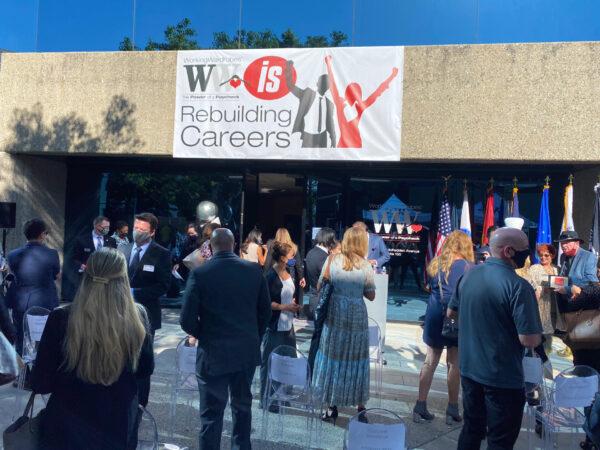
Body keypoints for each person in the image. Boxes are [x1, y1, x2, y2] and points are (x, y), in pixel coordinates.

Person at [31, 248, 154, 450]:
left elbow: (40, 383)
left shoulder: (61, 318)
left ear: (87, 275)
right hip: (117, 425)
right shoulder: (138, 318)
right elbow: (144, 370)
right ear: (123, 279)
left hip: (66, 426)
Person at [448, 227, 542, 449]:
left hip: (470, 371)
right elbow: (529, 340)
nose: (527, 255)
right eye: (524, 250)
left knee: (471, 429)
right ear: (509, 251)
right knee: (500, 440)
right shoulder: (519, 287)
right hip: (503, 378)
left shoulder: (469, 274)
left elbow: (451, 313)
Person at [180, 228, 271, 450]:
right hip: (245, 351)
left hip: (213, 352)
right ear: (234, 245)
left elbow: (186, 319)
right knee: (242, 408)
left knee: (211, 413)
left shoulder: (201, 274)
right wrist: (252, 336)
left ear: (210, 247)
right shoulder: (253, 271)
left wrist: (203, 333)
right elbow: (265, 312)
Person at [313, 226, 376, 423]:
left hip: (335, 316)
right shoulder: (366, 266)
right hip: (357, 317)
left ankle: (331, 406)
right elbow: (371, 295)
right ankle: (360, 408)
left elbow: (320, 286)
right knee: (356, 359)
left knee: (334, 357)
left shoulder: (332, 260)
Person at [414, 230, 473, 425]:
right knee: (454, 363)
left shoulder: (435, 264)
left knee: (430, 360)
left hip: (434, 314)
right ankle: (452, 409)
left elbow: (430, 287)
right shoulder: (469, 267)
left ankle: (420, 406)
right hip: (457, 316)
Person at [119, 212, 171, 407]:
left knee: (141, 360)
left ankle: (140, 405)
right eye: (136, 228)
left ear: (152, 232)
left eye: (142, 229)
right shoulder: (123, 249)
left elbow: (163, 286)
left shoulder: (162, 254)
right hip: (119, 313)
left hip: (146, 315)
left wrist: (134, 293)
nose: (137, 232)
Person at [6, 218, 60, 354]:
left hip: (20, 303)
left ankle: (22, 369)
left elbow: (13, 273)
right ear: (42, 234)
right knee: (43, 339)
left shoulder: (12, 255)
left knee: (20, 337)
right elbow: (56, 275)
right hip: (44, 302)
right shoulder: (52, 254)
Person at [325, 55, 399, 148]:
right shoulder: (340, 103)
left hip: (356, 144)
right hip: (343, 145)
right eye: (351, 92)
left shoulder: (359, 107)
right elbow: (333, 85)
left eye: (356, 93)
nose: (354, 95)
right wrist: (328, 65)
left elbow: (377, 93)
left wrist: (392, 76)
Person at [261, 242, 302, 407]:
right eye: (291, 256)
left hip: (288, 324)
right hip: (274, 325)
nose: (294, 259)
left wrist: (291, 303)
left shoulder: (288, 272)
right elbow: (266, 302)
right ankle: (267, 398)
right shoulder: (270, 276)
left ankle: (283, 396)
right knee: (270, 362)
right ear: (283, 258)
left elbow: (288, 293)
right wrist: (286, 306)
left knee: (288, 360)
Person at [285, 59, 336, 148]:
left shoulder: (329, 103)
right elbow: (290, 86)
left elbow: (330, 123)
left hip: (322, 136)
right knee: (305, 160)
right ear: (317, 84)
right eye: (322, 82)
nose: (324, 85)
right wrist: (289, 68)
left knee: (322, 161)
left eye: (327, 84)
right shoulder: (307, 94)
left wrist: (333, 138)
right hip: (308, 135)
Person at [528, 244, 559, 353]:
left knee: (551, 340)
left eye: (546, 255)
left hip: (555, 308)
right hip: (540, 308)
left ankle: (549, 362)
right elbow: (529, 286)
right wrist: (540, 288)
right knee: (540, 340)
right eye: (540, 255)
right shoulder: (534, 268)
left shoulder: (557, 269)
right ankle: (540, 362)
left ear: (552, 256)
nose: (543, 257)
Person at [304, 227, 337, 318]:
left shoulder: (311, 252)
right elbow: (328, 278)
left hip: (314, 296)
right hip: (321, 298)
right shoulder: (324, 256)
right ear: (329, 240)